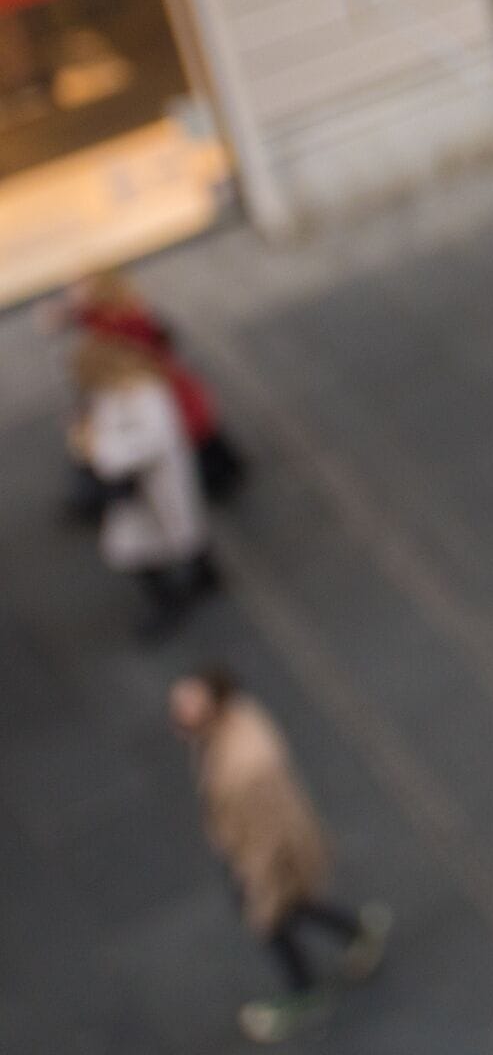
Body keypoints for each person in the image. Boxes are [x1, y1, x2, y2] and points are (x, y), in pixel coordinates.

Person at [173, 668, 389, 1043]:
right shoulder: (227, 724)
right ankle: (357, 933)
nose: (179, 714)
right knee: (297, 908)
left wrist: (255, 885)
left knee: (273, 920)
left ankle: (306, 990)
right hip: (264, 847)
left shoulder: (244, 769)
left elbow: (266, 838)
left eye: (188, 706)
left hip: (268, 858)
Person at [77, 334, 218, 639]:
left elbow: (154, 440)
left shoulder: (144, 392)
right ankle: (190, 581)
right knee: (144, 544)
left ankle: (190, 586)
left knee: (177, 533)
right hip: (141, 487)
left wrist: (102, 451)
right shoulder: (115, 392)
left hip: (155, 483)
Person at [65, 269, 247, 503]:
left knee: (184, 435)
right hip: (162, 382)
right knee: (194, 435)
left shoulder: (117, 322)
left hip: (159, 384)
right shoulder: (120, 311)